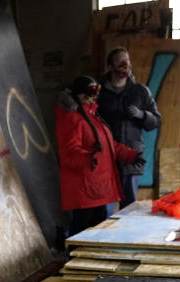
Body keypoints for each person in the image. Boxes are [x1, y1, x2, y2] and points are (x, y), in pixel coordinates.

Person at [55, 75, 141, 237]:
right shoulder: (72, 118)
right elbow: (69, 152)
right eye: (91, 91)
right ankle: (74, 258)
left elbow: (108, 145)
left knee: (97, 229)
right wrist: (88, 159)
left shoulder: (92, 116)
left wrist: (130, 155)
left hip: (97, 185)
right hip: (85, 187)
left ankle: (88, 259)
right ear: (79, 94)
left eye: (97, 90)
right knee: (82, 228)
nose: (95, 95)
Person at [97, 47, 161, 212]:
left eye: (127, 60)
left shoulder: (140, 92)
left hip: (130, 159)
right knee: (104, 208)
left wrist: (141, 115)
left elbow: (156, 121)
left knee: (130, 208)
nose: (125, 64)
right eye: (120, 60)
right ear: (110, 67)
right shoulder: (98, 93)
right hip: (105, 158)